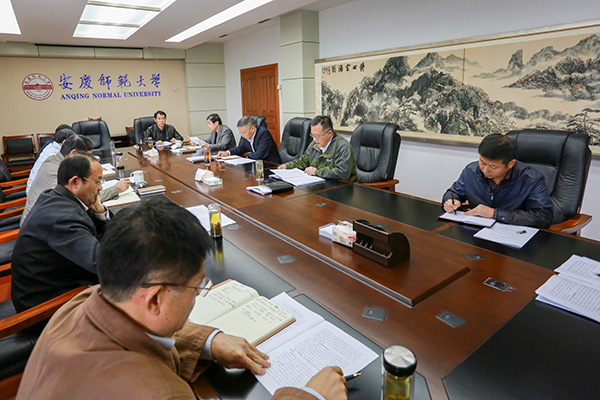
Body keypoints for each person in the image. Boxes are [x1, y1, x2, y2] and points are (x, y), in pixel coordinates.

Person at [16, 197, 348, 400]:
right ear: (154, 299)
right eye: (197, 287)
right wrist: (310, 396)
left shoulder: (83, 302)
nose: (196, 298)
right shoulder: (159, 394)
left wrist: (210, 342)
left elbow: (140, 331)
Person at [11, 153, 112, 313]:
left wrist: (100, 213)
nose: (100, 188)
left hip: (59, 281)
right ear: (75, 182)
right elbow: (102, 264)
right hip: (44, 306)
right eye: (98, 181)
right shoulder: (63, 217)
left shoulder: (58, 197)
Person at [442, 133, 553, 228]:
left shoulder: (531, 179)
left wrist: (495, 214)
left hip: (512, 234)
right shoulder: (471, 170)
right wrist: (450, 201)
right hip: (477, 230)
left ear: (511, 164)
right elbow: (454, 192)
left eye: (493, 166)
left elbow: (543, 217)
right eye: (482, 162)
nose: (485, 170)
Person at [21, 135, 130, 224]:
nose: (88, 160)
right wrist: (115, 189)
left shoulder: (54, 159)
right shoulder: (55, 171)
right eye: (86, 157)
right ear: (73, 153)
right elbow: (81, 199)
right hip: (41, 225)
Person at [278, 115, 357, 181]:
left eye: (317, 136)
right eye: (312, 135)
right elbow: (303, 161)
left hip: (342, 187)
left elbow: (342, 173)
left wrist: (317, 172)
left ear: (329, 133)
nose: (315, 139)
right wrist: (286, 166)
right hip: (321, 183)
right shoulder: (314, 143)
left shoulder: (343, 147)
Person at [26, 125, 76, 195]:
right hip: (38, 195)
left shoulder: (51, 146)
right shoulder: (54, 153)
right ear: (64, 142)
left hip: (36, 189)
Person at [217, 116, 282, 164]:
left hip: (271, 165)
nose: (242, 135)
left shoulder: (263, 133)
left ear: (253, 129)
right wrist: (228, 152)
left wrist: (247, 155)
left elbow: (260, 154)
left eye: (244, 133)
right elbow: (241, 148)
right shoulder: (247, 135)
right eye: (240, 133)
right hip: (257, 164)